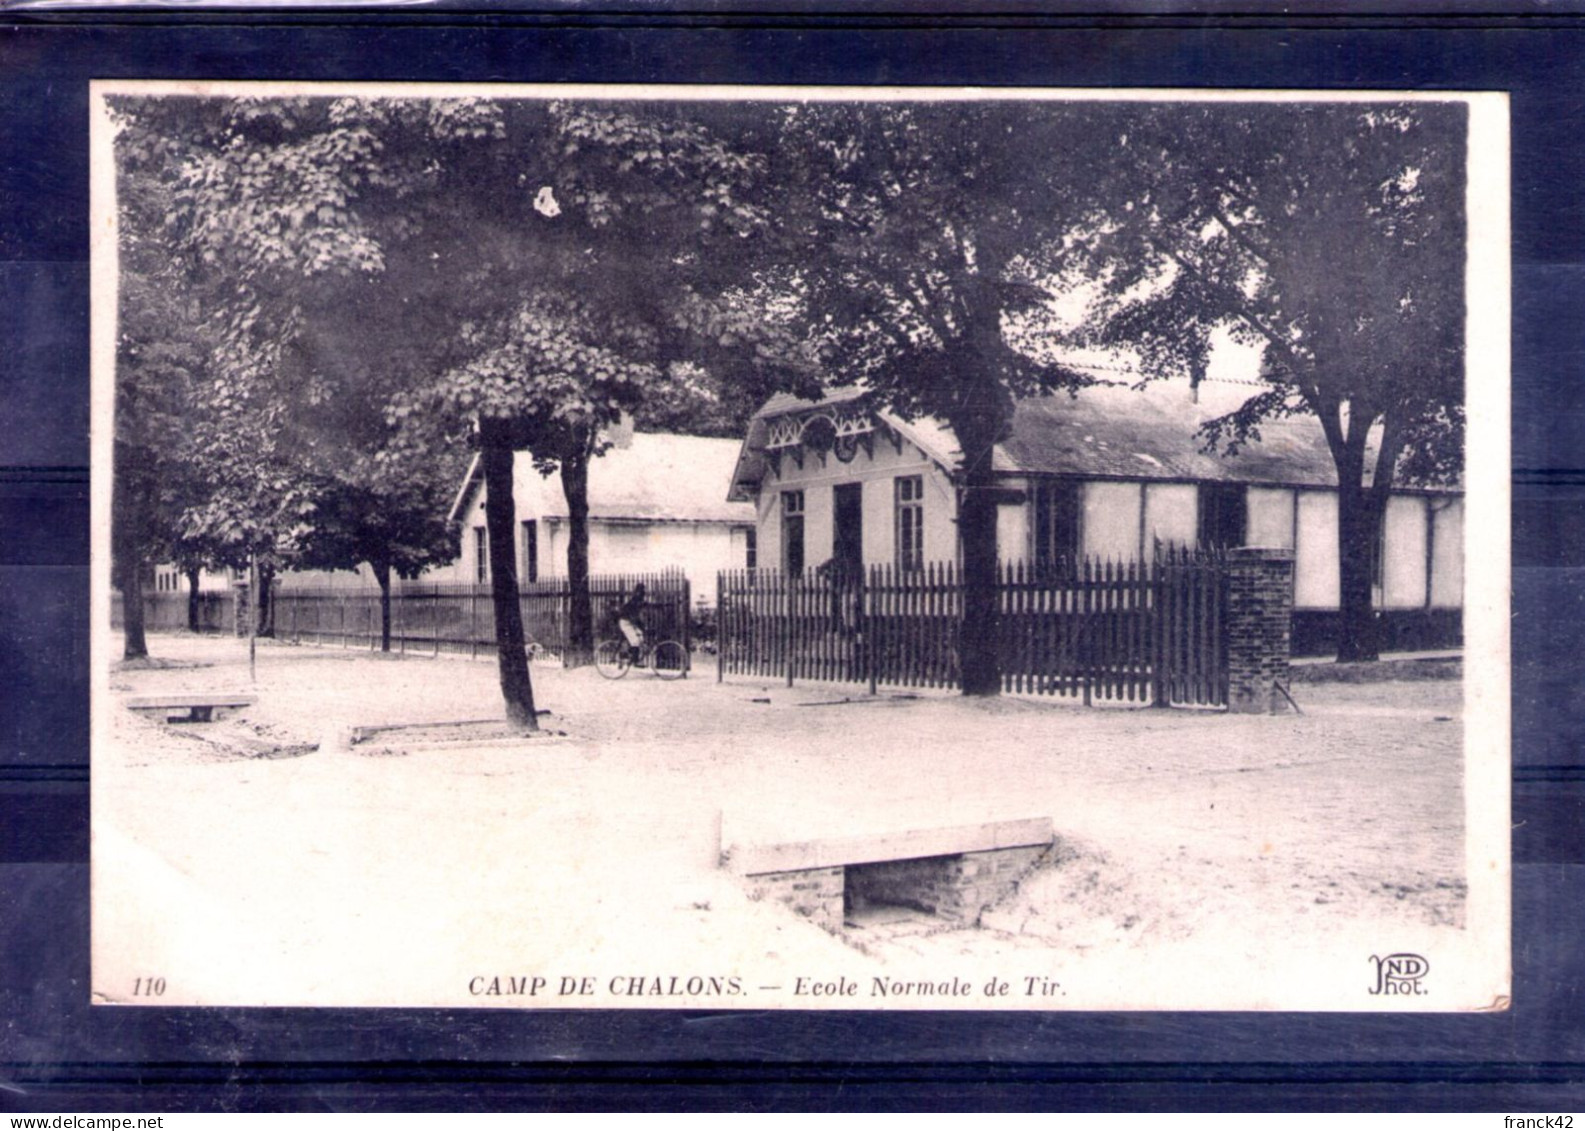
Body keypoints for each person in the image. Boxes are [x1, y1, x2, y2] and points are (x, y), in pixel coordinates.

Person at [615, 582, 647, 664]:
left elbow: (637, 616)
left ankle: (632, 654)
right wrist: (641, 625)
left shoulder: (638, 600)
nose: (642, 593)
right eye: (640, 591)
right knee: (635, 640)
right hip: (625, 622)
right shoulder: (634, 601)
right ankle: (634, 660)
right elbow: (634, 617)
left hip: (631, 622)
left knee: (640, 637)